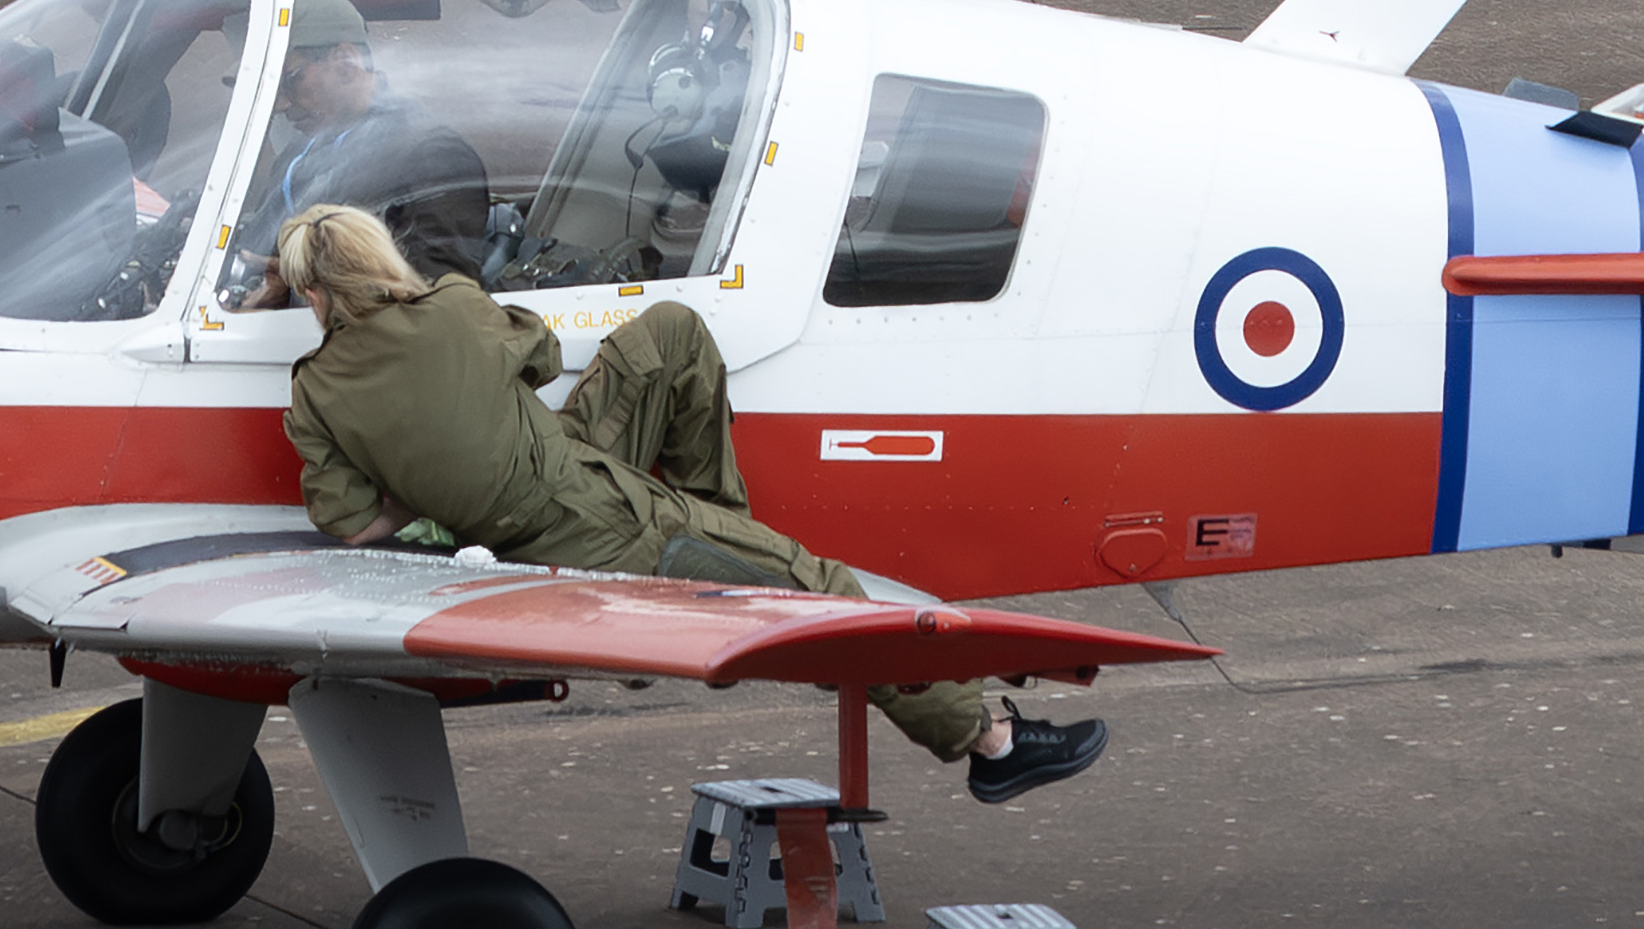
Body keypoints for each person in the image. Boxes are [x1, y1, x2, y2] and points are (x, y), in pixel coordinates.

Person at [270, 204, 1111, 804]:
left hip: (548, 501)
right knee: (820, 588)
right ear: (379, 259)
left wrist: (423, 483)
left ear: (313, 295)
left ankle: (714, 555)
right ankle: (990, 743)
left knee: (671, 331)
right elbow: (542, 354)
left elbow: (348, 522)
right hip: (602, 525)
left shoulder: (314, 393)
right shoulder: (451, 306)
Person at [235, 0, 494, 291]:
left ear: (346, 62)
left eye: (290, 80)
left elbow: (439, 300)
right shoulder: (295, 159)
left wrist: (302, 286)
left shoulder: (432, 156)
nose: (280, 103)